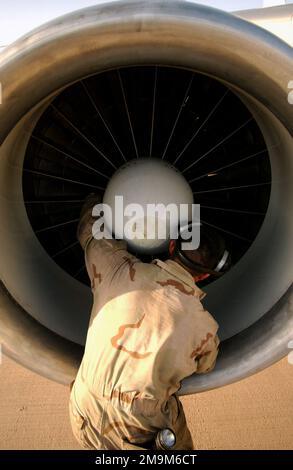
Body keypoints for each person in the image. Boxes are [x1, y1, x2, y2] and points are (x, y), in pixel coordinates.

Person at [69, 194, 229, 450]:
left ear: (171, 247)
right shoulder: (205, 330)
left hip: (84, 408)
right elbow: (205, 366)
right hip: (141, 428)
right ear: (203, 276)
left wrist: (97, 197)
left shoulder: (116, 271)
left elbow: (89, 232)